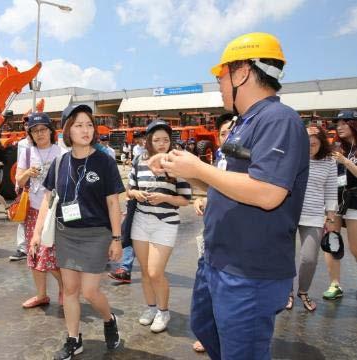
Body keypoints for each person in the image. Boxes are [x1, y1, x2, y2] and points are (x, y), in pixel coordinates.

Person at [148, 32, 309, 359]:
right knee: (207, 331)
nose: (219, 84)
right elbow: (228, 185)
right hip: (218, 262)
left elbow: (268, 193)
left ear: (242, 72)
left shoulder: (279, 120)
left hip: (248, 272)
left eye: (221, 76)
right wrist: (181, 169)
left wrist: (200, 169)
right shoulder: (244, 123)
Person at [29, 104, 124, 360]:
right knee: (70, 290)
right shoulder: (60, 162)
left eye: (89, 124)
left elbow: (113, 203)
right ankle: (74, 339)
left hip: (96, 235)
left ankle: (109, 318)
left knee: (90, 291)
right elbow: (48, 202)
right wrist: (37, 235)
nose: (85, 130)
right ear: (68, 130)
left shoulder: (104, 161)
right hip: (66, 234)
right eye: (79, 125)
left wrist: (117, 238)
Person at [128, 120, 191, 333]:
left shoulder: (176, 163)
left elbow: (185, 200)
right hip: (141, 221)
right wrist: (136, 193)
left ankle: (164, 311)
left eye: (165, 139)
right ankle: (151, 308)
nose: (162, 143)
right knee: (145, 272)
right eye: (156, 140)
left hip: (165, 223)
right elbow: (130, 189)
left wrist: (165, 197)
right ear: (149, 141)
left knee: (155, 272)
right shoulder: (139, 160)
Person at [191, 114, 233, 354]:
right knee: (204, 305)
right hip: (211, 238)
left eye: (231, 131)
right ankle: (211, 335)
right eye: (223, 133)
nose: (227, 136)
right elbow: (216, 190)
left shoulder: (246, 162)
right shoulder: (219, 160)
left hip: (234, 245)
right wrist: (202, 199)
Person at [285, 126, 337, 311]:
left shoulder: (329, 161)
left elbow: (331, 191)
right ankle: (287, 292)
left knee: (309, 258)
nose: (310, 145)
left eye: (314, 141)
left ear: (322, 141)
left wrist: (330, 218)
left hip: (314, 215)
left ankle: (303, 291)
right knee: (286, 257)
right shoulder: (292, 157)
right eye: (306, 141)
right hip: (288, 212)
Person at [16, 113, 63, 308]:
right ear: (30, 135)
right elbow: (18, 180)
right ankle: (42, 295)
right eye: (35, 131)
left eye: (43, 129)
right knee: (34, 255)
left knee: (48, 255)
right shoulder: (26, 153)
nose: (39, 133)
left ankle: (64, 289)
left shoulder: (60, 152)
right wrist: (27, 172)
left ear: (51, 132)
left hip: (54, 212)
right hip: (32, 210)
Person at [323, 110, 357, 300]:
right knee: (332, 241)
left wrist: (345, 161)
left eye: (345, 123)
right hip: (334, 199)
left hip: (354, 199)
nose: (340, 126)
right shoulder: (334, 146)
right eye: (338, 123)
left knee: (355, 247)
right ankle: (334, 284)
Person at [10, 117, 31, 261]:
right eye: (25, 124)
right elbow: (19, 163)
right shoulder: (22, 144)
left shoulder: (48, 144)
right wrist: (18, 183)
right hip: (26, 182)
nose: (27, 126)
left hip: (41, 185)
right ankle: (22, 248)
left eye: (30, 123)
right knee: (22, 214)